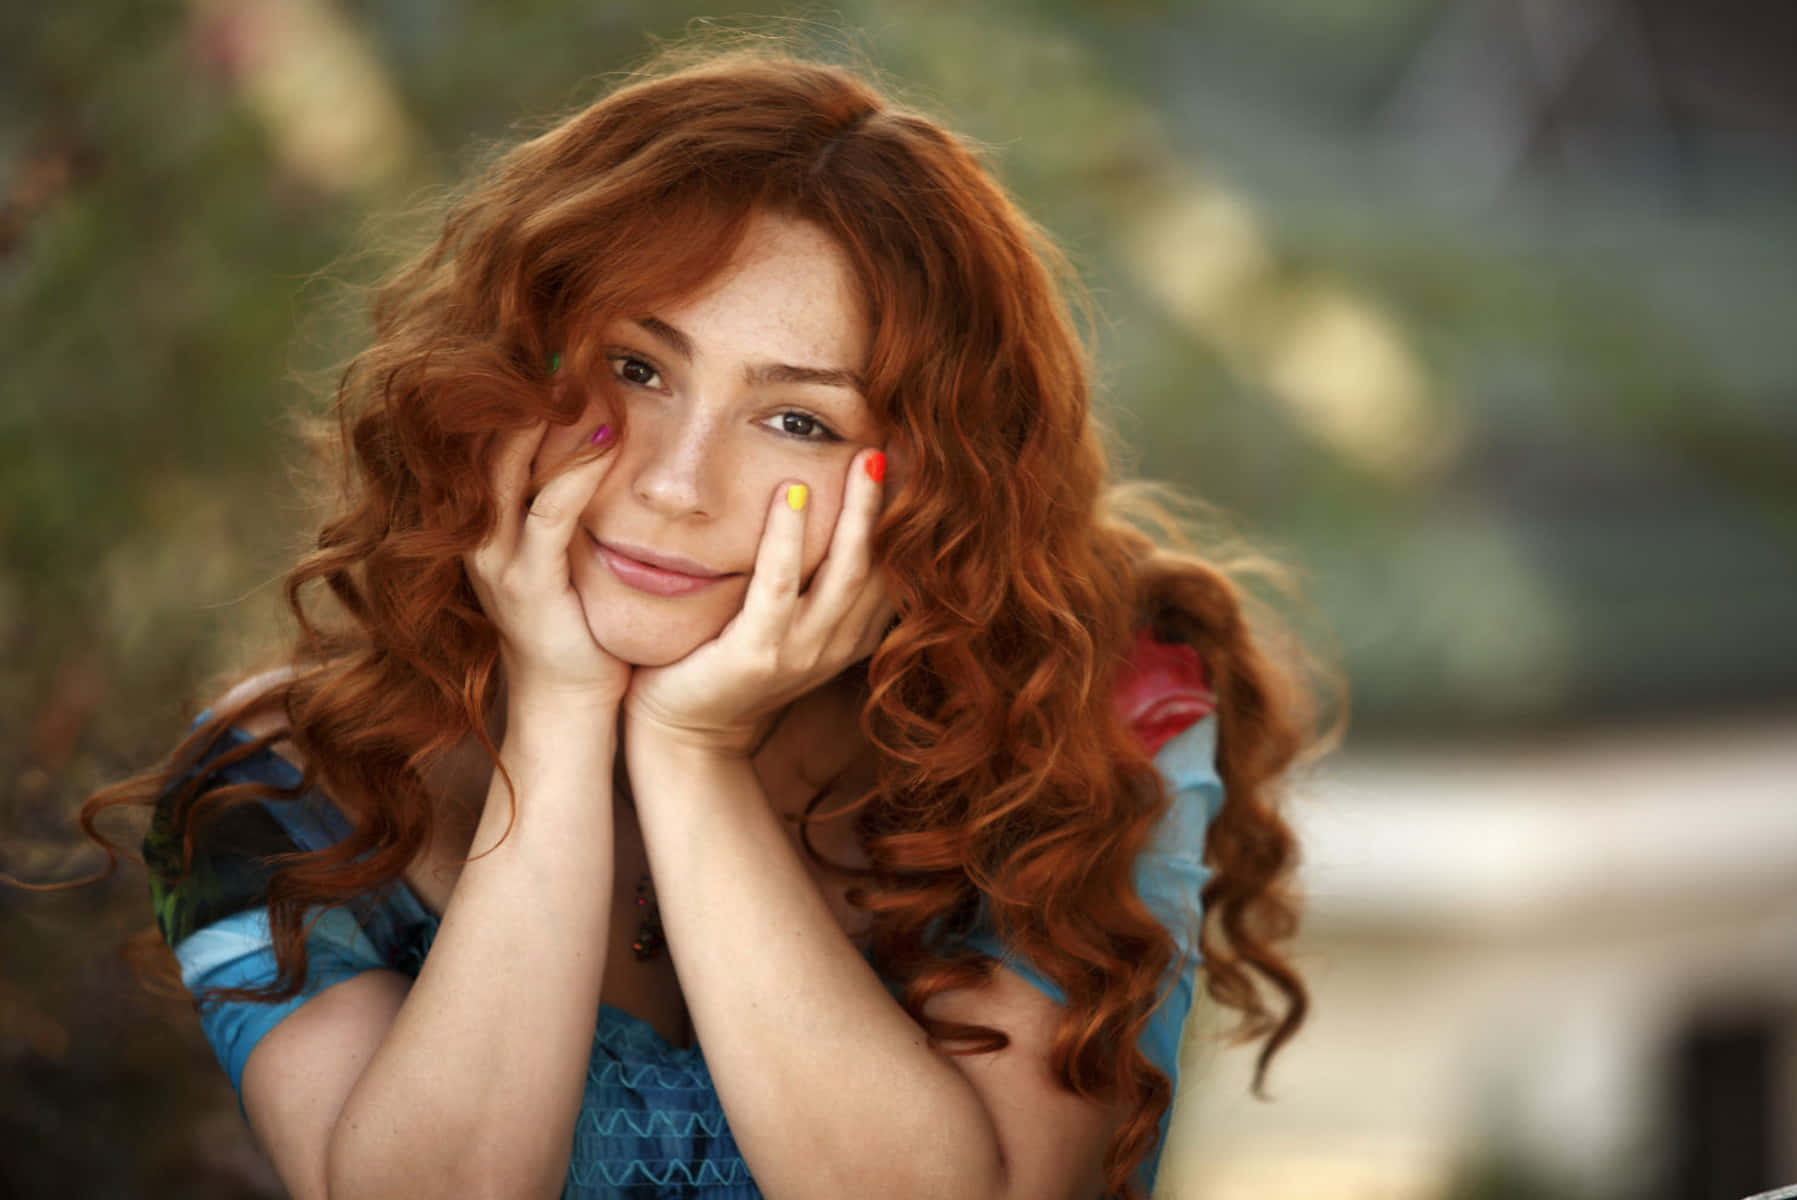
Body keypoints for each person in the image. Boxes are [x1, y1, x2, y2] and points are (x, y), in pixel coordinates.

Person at [83, 43, 1330, 1200]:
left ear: (934, 486)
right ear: (508, 377)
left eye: (798, 420)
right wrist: (563, 720)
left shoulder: (1099, 719)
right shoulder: (283, 788)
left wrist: (689, 757)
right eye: (637, 368)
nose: (675, 481)